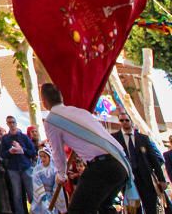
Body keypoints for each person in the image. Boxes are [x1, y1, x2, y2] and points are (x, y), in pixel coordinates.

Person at [40, 82, 132, 214]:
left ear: (44, 101)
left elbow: (57, 152)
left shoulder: (51, 120)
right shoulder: (82, 112)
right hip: (120, 163)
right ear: (61, 97)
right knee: (103, 207)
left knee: (78, 210)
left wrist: (61, 174)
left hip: (102, 167)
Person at [112, 112, 167, 214]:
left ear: (131, 121)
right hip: (128, 181)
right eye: (121, 120)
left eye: (127, 120)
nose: (124, 122)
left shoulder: (143, 138)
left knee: (150, 207)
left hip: (146, 179)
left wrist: (161, 179)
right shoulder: (114, 138)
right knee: (133, 210)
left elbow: (154, 160)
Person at [1, 115, 38, 214]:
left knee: (31, 192)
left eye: (13, 122)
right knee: (17, 194)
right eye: (9, 122)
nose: (12, 124)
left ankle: (36, 211)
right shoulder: (5, 139)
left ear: (16, 123)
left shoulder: (24, 137)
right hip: (13, 169)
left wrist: (22, 149)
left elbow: (33, 152)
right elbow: (2, 154)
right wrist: (10, 152)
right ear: (7, 124)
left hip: (26, 167)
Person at [31, 148, 66, 214]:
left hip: (52, 195)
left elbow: (57, 183)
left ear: (49, 157)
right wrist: (43, 196)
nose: (42, 159)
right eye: (41, 156)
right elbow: (36, 182)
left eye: (44, 156)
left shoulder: (54, 170)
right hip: (41, 196)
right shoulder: (37, 169)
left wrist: (54, 195)